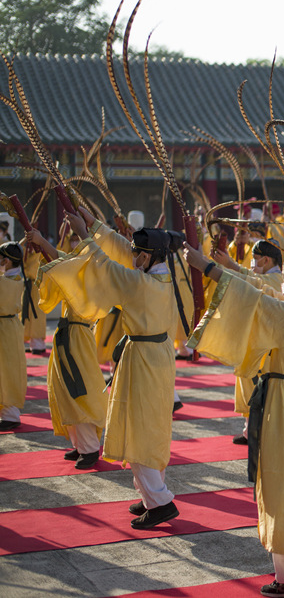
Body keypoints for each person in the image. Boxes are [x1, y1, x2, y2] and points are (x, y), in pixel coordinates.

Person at [184, 239, 284, 598]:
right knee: (279, 484)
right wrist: (223, 267)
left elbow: (255, 300)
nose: (283, 286)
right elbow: (260, 290)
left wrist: (209, 268)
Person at [45, 209, 182, 529]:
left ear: (150, 256)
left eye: (139, 253)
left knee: (139, 429)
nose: (132, 255)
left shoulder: (141, 285)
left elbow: (105, 268)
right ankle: (151, 493)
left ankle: (160, 501)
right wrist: (93, 225)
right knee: (151, 426)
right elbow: (121, 248)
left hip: (144, 360)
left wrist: (84, 235)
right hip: (155, 356)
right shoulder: (161, 275)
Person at [28, 227, 109, 468]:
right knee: (64, 388)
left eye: (78, 238)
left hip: (78, 337)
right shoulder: (80, 265)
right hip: (68, 334)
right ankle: (80, 444)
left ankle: (90, 448)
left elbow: (63, 262)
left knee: (79, 389)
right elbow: (62, 262)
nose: (74, 243)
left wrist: (43, 240)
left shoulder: (91, 269)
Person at [211, 237, 284, 445]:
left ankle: (259, 430)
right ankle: (249, 429)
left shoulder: (277, 280)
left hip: (266, 342)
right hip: (252, 339)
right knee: (248, 385)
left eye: (256, 258)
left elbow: (248, 280)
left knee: (259, 388)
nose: (253, 263)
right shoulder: (265, 277)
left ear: (267, 260)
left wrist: (227, 265)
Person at [0, 242, 28, 431]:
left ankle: (10, 414)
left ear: (7, 261)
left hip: (5, 328)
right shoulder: (16, 276)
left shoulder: (6, 281)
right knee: (9, 369)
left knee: (7, 371)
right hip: (10, 326)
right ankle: (8, 412)